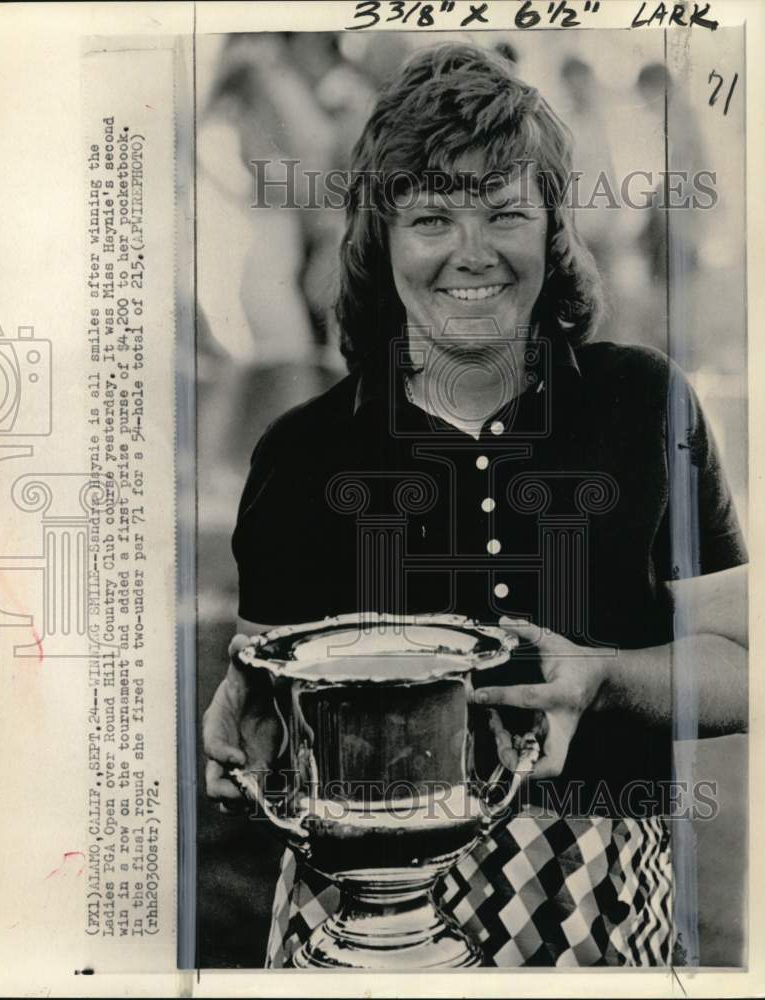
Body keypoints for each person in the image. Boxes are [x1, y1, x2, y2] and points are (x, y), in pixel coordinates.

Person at [203, 43, 747, 967]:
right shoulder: (303, 451)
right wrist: (248, 711)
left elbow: (740, 665)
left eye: (504, 213)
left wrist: (602, 676)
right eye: (430, 218)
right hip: (359, 914)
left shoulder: (642, 401)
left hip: (597, 905)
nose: (471, 253)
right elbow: (267, 700)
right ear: (379, 238)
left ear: (552, 228)